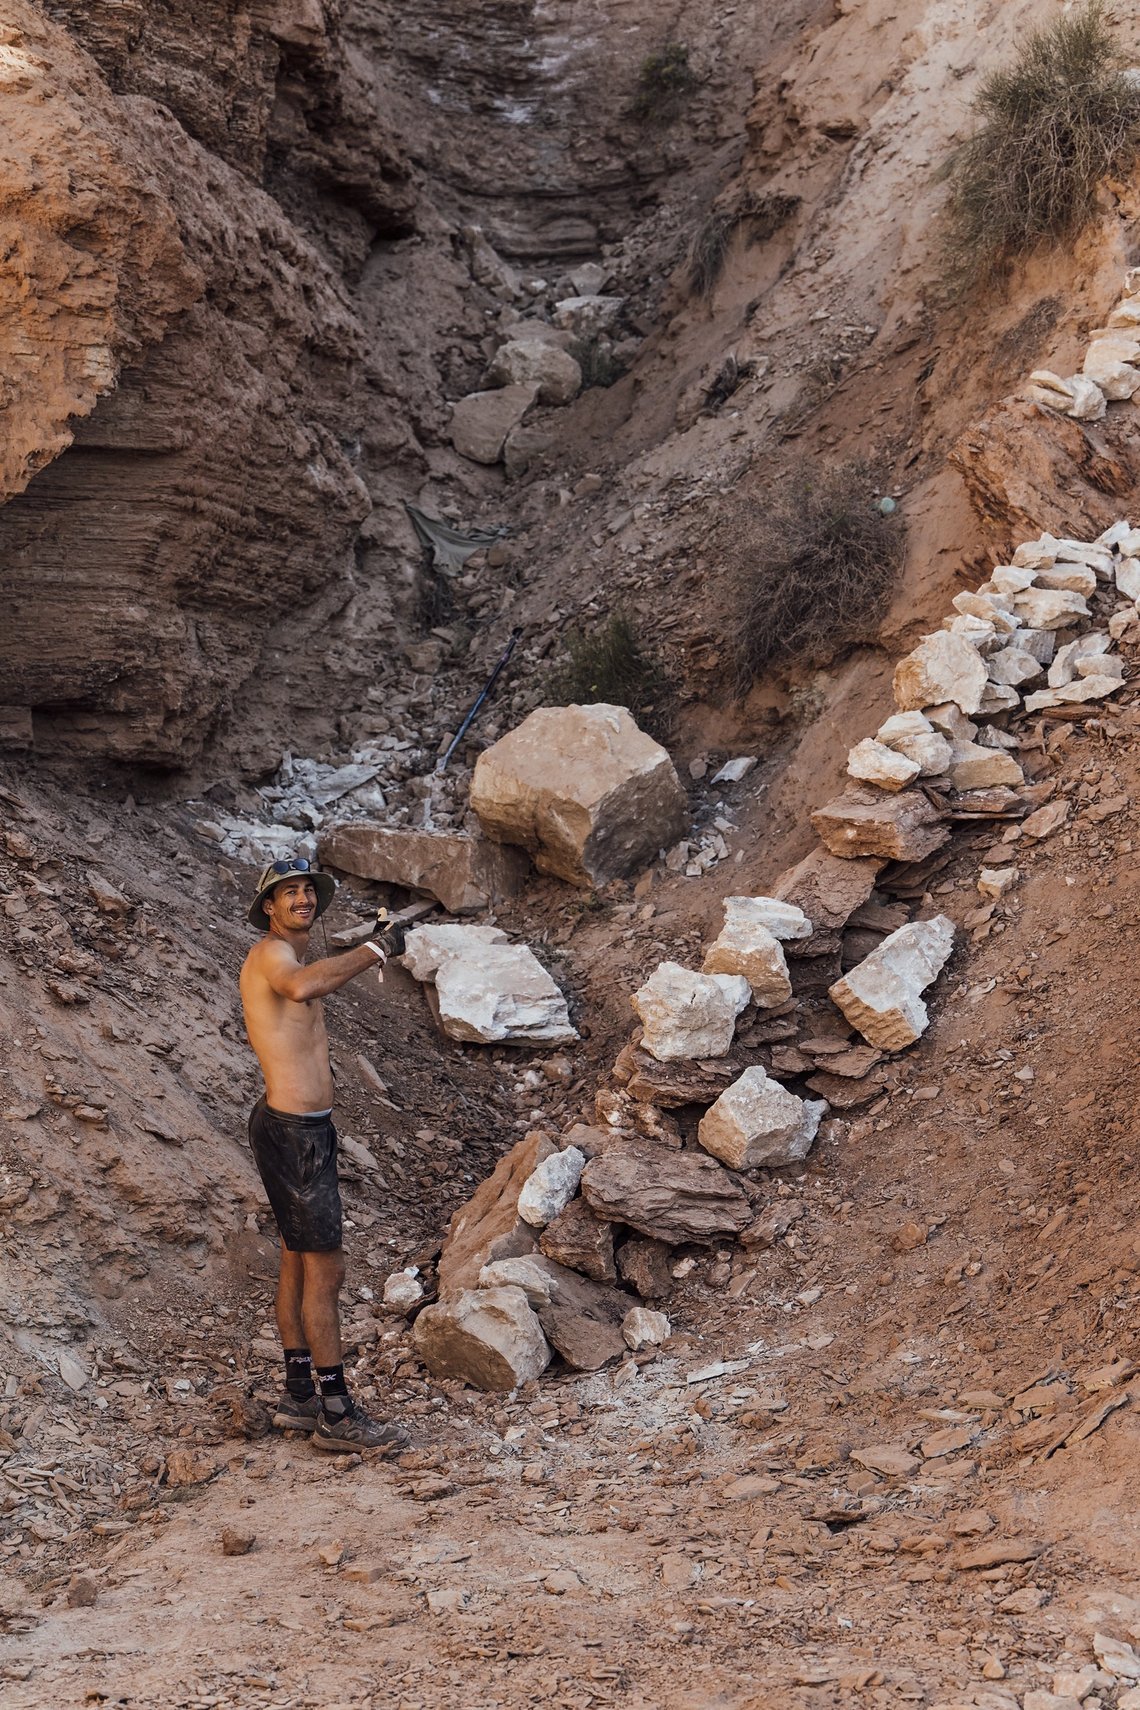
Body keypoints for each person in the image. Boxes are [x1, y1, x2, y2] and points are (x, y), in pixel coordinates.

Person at [239, 856, 409, 1454]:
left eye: (308, 890)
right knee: (326, 1270)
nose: (302, 899)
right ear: (269, 906)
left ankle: (299, 1396)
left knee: (296, 1260)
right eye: (289, 893)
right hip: (296, 1136)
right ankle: (337, 1412)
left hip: (294, 1130)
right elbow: (301, 986)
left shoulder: (289, 954)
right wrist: (376, 952)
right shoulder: (272, 956)